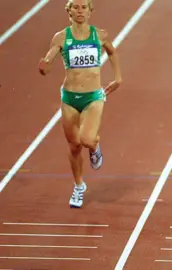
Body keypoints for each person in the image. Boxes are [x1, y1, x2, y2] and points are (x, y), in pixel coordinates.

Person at [38, 0, 122, 208]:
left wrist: (118, 77)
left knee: (86, 139)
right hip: (69, 98)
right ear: (68, 11)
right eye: (75, 7)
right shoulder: (61, 37)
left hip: (93, 96)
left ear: (90, 11)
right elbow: (48, 61)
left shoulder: (99, 35)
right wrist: (45, 66)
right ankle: (78, 186)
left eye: (83, 7)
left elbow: (112, 52)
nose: (79, 10)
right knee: (74, 146)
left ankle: (95, 147)